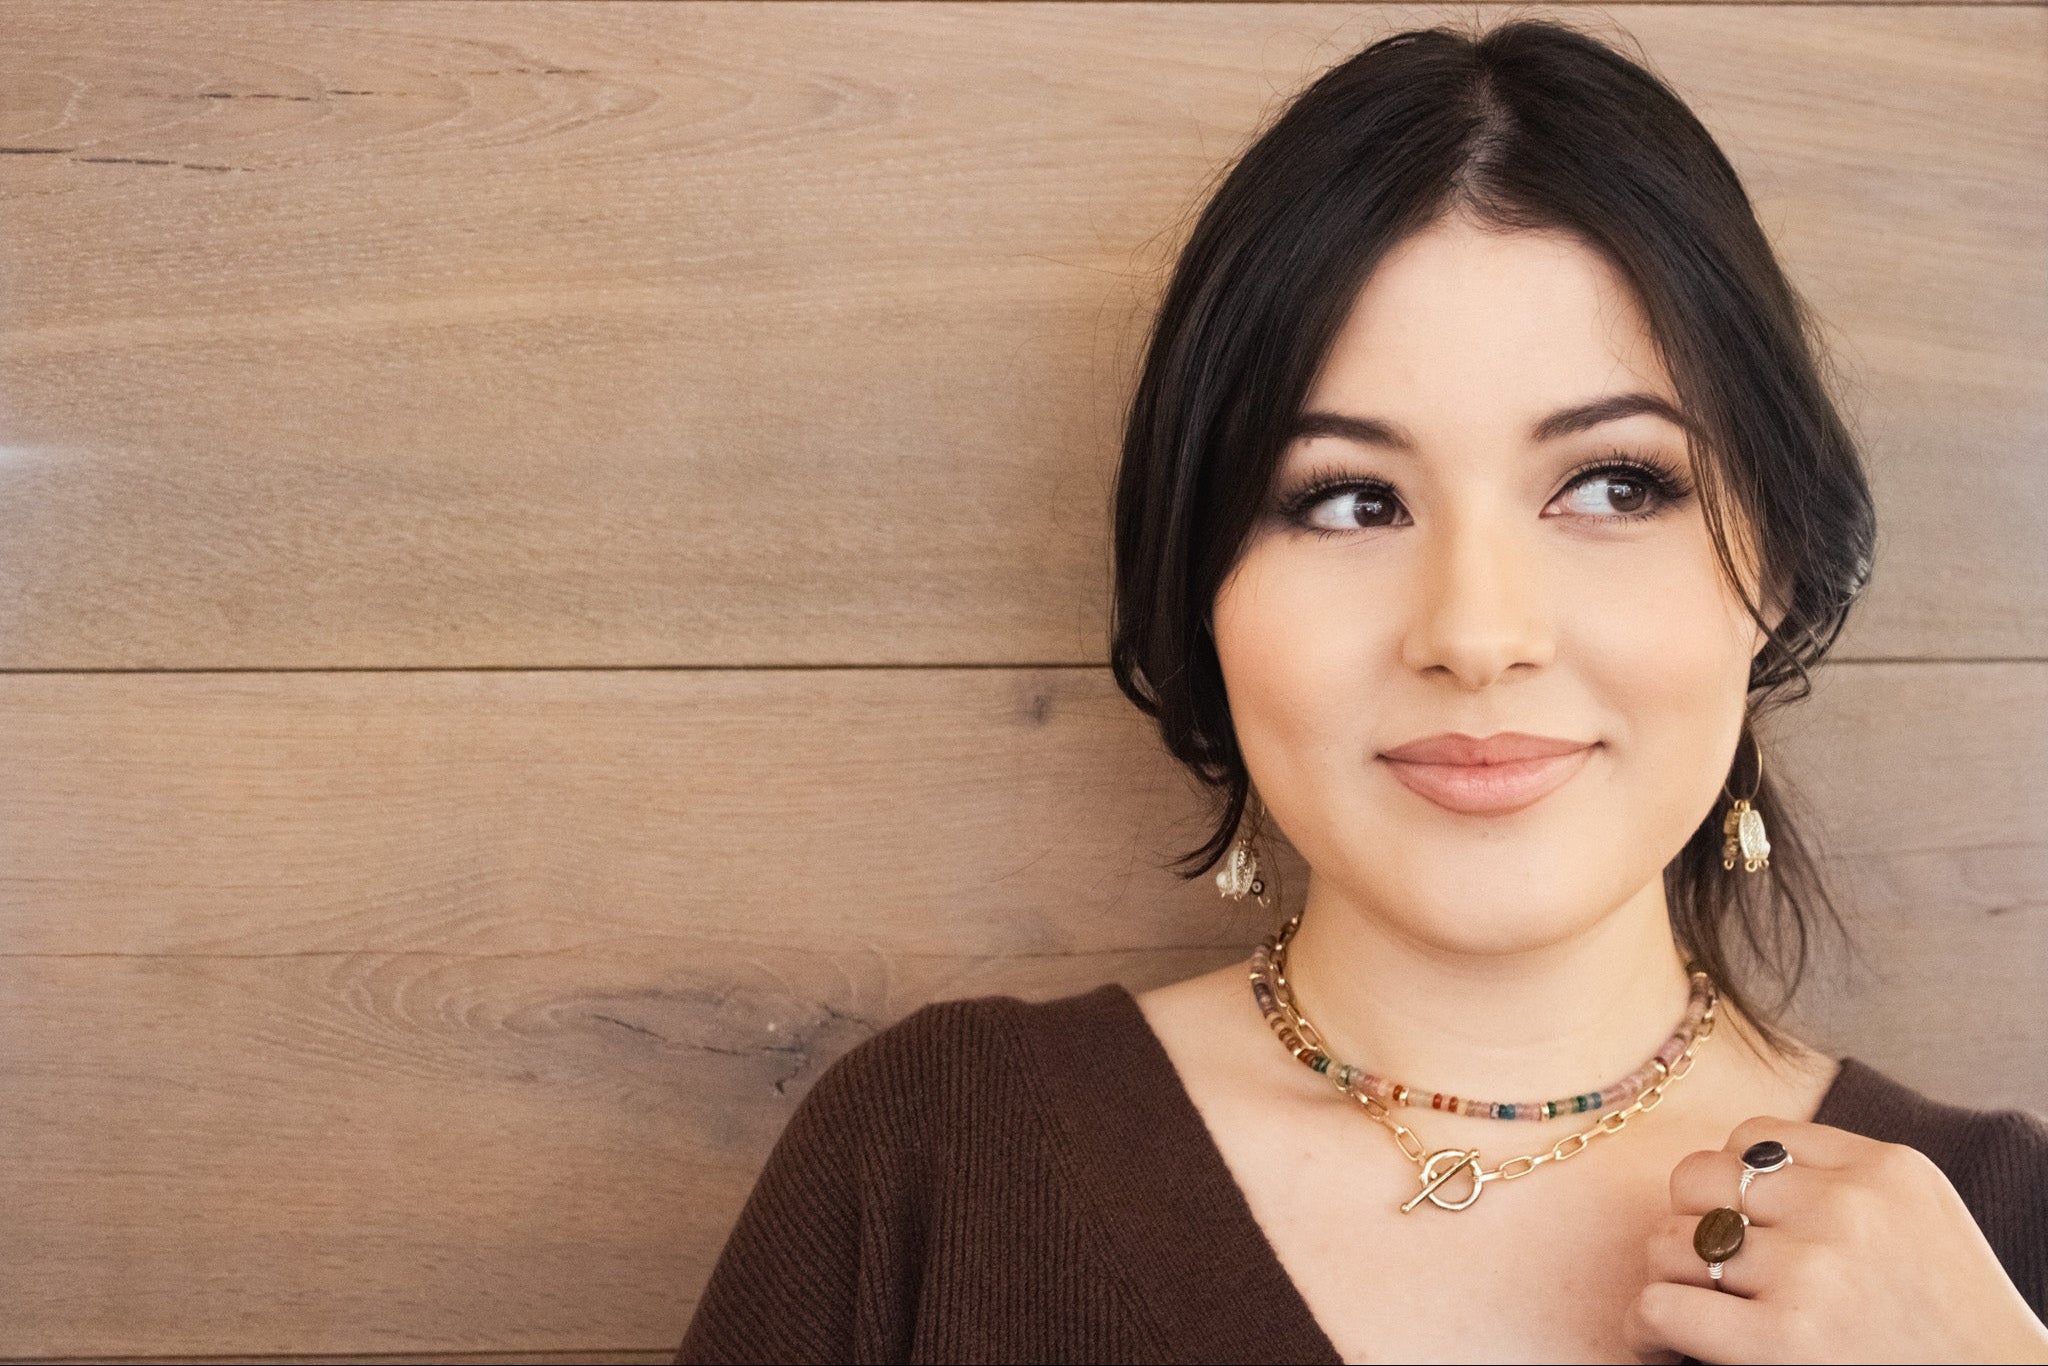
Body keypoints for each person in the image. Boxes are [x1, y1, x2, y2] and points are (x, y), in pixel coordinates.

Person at [675, 18, 2048, 1363]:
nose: (1476, 634)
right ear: (1198, 584)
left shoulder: (2008, 1243)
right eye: (1349, 500)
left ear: (1779, 565)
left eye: (1614, 485)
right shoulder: (936, 1165)